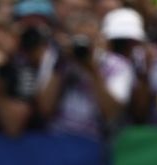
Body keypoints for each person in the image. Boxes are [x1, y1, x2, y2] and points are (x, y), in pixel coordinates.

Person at [38, 10, 133, 140]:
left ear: (101, 38)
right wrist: (59, 66)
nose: (85, 47)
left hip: (96, 140)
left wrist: (93, 70)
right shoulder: (56, 60)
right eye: (79, 40)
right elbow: (44, 110)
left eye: (90, 40)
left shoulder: (118, 66)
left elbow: (112, 114)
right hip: (57, 138)